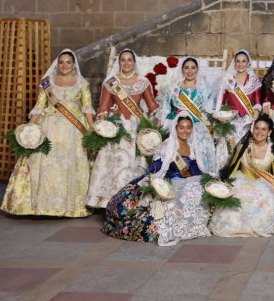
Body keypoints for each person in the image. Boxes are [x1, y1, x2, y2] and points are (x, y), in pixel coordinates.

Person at [1, 49, 95, 217]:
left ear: (74, 65)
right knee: (43, 163)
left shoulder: (82, 83)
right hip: (49, 127)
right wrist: (30, 128)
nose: (64, 65)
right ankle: (42, 206)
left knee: (70, 165)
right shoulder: (47, 82)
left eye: (68, 62)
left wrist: (92, 129)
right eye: (61, 62)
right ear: (57, 65)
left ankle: (71, 207)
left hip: (73, 130)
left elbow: (87, 108)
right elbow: (39, 106)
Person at [102, 115, 214, 245]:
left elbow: (196, 169)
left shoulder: (192, 147)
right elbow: (157, 167)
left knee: (197, 194)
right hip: (170, 183)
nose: (185, 131)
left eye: (188, 128)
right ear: (175, 128)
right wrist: (153, 184)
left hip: (188, 183)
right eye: (181, 127)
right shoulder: (167, 146)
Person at [86, 48, 159, 209]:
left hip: (136, 127)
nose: (126, 63)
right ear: (119, 63)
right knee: (113, 162)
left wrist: (163, 116)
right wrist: (103, 122)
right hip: (117, 127)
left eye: (129, 60)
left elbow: (152, 106)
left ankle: (133, 200)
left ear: (134, 62)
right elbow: (103, 107)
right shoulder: (110, 82)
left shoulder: (143, 82)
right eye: (123, 60)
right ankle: (107, 200)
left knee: (134, 162)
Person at [210, 114, 274, 236]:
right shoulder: (244, 146)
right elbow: (232, 168)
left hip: (263, 186)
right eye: (257, 128)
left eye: (264, 129)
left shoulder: (272, 150)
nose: (259, 132)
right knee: (236, 204)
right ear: (253, 129)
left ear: (269, 132)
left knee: (262, 204)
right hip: (242, 182)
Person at [156, 57, 219, 172]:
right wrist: (163, 123)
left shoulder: (205, 90)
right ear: (182, 70)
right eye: (186, 68)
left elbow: (209, 111)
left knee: (199, 156)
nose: (190, 71)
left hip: (197, 125)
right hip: (176, 125)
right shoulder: (173, 89)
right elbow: (166, 107)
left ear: (197, 70)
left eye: (193, 68)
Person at [215, 49, 262, 144]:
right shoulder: (228, 80)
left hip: (248, 122)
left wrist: (255, 117)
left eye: (244, 61)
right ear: (234, 63)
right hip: (230, 121)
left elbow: (257, 103)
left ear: (248, 63)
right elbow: (222, 103)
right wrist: (223, 119)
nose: (240, 64)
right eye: (238, 61)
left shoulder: (254, 81)